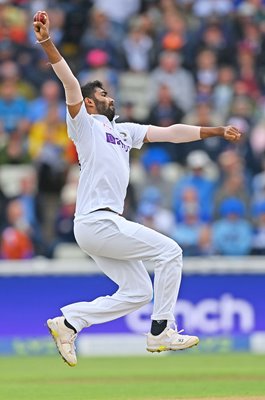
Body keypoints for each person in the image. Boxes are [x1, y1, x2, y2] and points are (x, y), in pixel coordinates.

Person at [33, 12, 241, 367]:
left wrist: (214, 130)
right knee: (171, 252)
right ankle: (161, 330)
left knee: (139, 291)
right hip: (97, 221)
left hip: (101, 225)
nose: (109, 96)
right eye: (102, 94)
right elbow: (70, 83)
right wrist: (46, 42)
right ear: (91, 103)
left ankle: (69, 323)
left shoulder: (125, 131)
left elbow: (171, 131)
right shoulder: (83, 126)